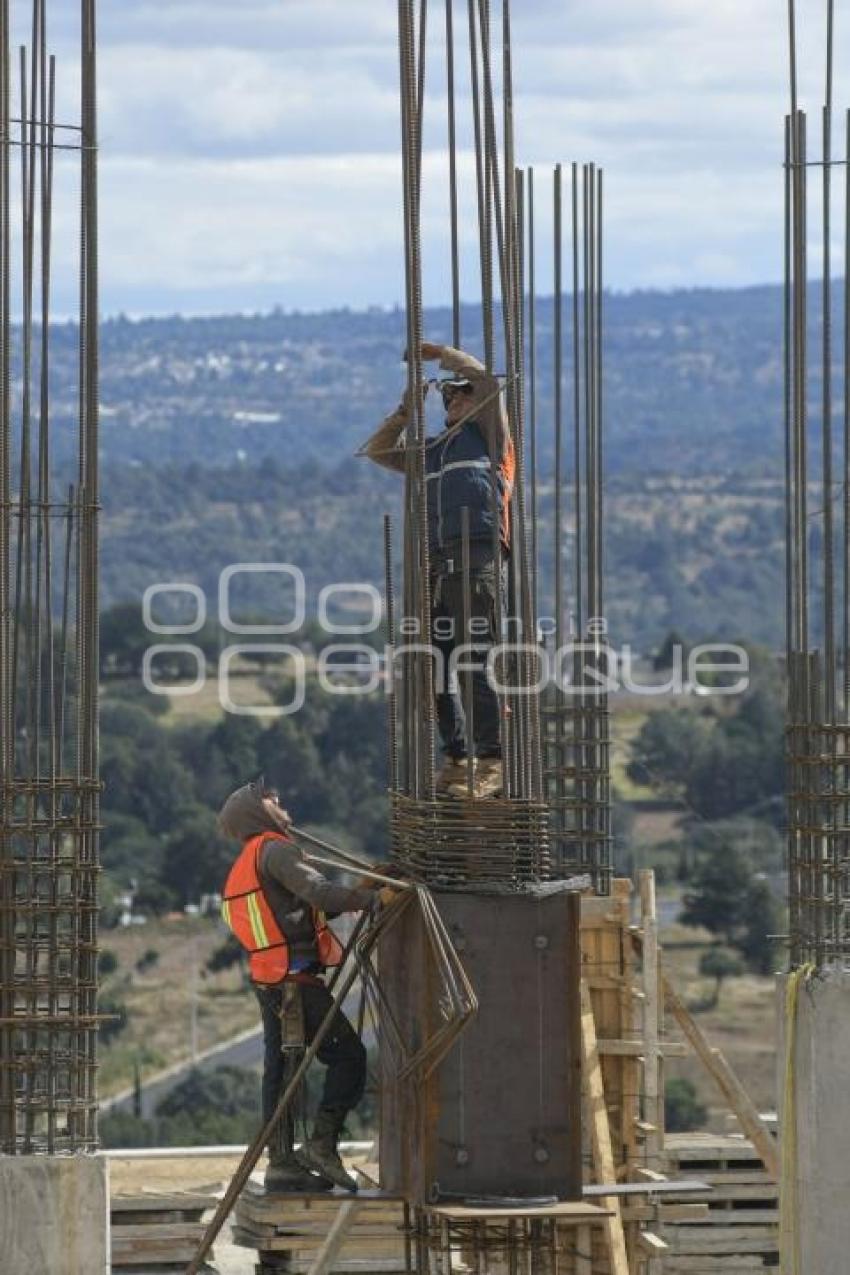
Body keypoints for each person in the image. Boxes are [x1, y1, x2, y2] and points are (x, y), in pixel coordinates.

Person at [218, 779, 391, 1193]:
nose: (279, 798)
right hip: (293, 980)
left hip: (273, 978)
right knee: (349, 1057)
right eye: (269, 797)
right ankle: (321, 1146)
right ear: (255, 812)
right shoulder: (276, 850)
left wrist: (362, 891)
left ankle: (282, 1163)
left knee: (282, 1071)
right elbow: (320, 894)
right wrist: (373, 900)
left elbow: (298, 913)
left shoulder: (252, 857)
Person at [363, 341, 515, 799]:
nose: (454, 400)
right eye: (448, 397)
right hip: (439, 571)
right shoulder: (429, 452)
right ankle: (457, 755)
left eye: (461, 394)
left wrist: (445, 355)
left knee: (475, 661)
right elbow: (378, 450)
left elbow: (489, 382)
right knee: (435, 665)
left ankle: (491, 758)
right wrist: (407, 410)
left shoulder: (491, 436)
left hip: (478, 562)